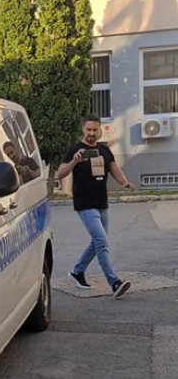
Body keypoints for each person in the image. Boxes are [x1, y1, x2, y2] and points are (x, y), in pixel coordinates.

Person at [56, 114, 137, 298]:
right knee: (101, 241)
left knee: (97, 241)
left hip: (101, 202)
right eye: (88, 130)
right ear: (83, 130)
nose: (91, 133)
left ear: (99, 130)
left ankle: (77, 272)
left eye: (94, 129)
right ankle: (114, 282)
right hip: (85, 204)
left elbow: (114, 169)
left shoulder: (104, 150)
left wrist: (124, 182)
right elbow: (60, 174)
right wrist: (74, 161)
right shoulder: (75, 150)